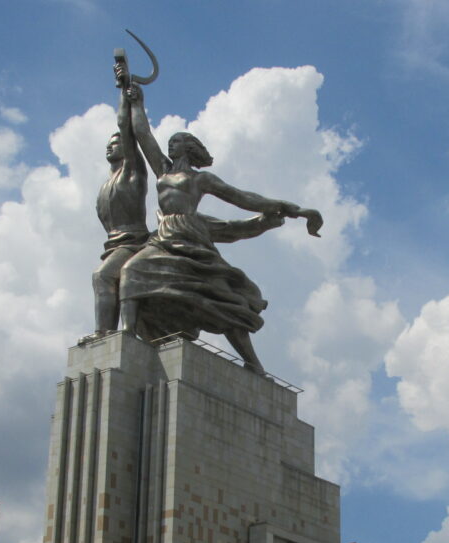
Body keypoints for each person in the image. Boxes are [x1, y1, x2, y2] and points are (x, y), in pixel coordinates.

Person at [118, 84, 322, 374]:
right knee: (131, 271)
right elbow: (143, 134)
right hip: (163, 238)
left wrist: (294, 209)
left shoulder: (202, 180)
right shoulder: (163, 170)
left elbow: (244, 198)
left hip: (191, 239)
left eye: (176, 141)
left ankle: (253, 362)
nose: (170, 145)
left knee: (220, 297)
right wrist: (136, 102)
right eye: (171, 142)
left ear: (188, 148)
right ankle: (126, 334)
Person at [91, 67, 150, 336]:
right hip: (113, 244)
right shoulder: (106, 185)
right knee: (106, 279)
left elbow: (125, 127)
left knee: (102, 276)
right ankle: (107, 335)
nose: (110, 144)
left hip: (133, 242)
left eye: (116, 142)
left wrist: (124, 92)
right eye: (109, 143)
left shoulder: (132, 173)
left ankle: (103, 334)